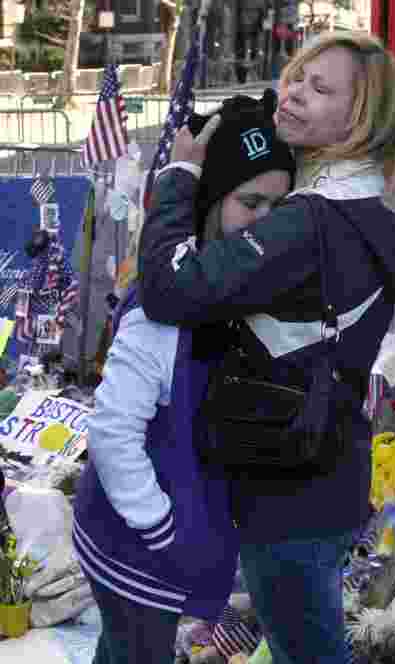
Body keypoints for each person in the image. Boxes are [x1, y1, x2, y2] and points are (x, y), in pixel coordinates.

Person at [137, 31, 395, 663]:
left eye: (320, 89)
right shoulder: (375, 216)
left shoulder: (306, 223)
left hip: (284, 490)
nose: (293, 92)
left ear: (359, 120)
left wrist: (180, 177)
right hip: (329, 473)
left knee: (308, 652)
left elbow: (168, 289)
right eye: (297, 76)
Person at [73, 95, 297, 664]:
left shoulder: (230, 284)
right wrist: (160, 527)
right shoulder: (165, 309)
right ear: (212, 201)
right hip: (137, 553)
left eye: (280, 204)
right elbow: (112, 431)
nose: (266, 221)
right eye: (250, 202)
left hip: (158, 543)